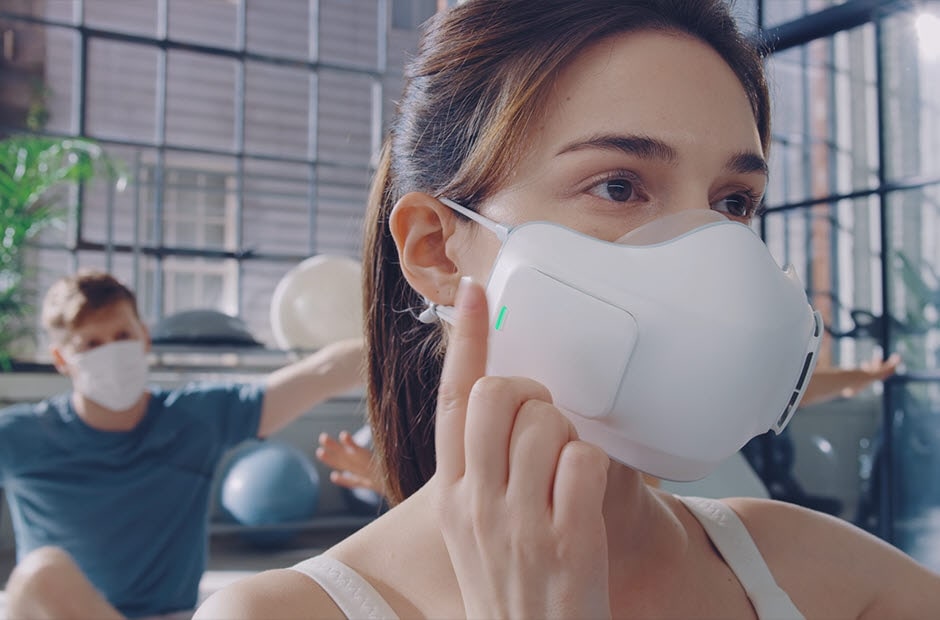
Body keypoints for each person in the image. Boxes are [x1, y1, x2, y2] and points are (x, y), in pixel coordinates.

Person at [196, 1, 940, 618]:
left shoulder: (829, 576)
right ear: (435, 250)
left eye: (733, 203)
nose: (717, 259)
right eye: (619, 186)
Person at [0, 269, 364, 619]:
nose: (111, 353)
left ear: (143, 337)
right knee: (40, 576)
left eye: (122, 336)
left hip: (170, 614)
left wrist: (413, 332)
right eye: (91, 344)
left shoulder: (193, 420)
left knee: (279, 595)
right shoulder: (23, 436)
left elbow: (324, 372)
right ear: (62, 358)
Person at [316, 354, 903, 503]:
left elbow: (783, 388)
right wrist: (396, 483)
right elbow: (498, 506)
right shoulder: (546, 406)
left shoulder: (693, 374)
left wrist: (857, 377)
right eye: (618, 189)